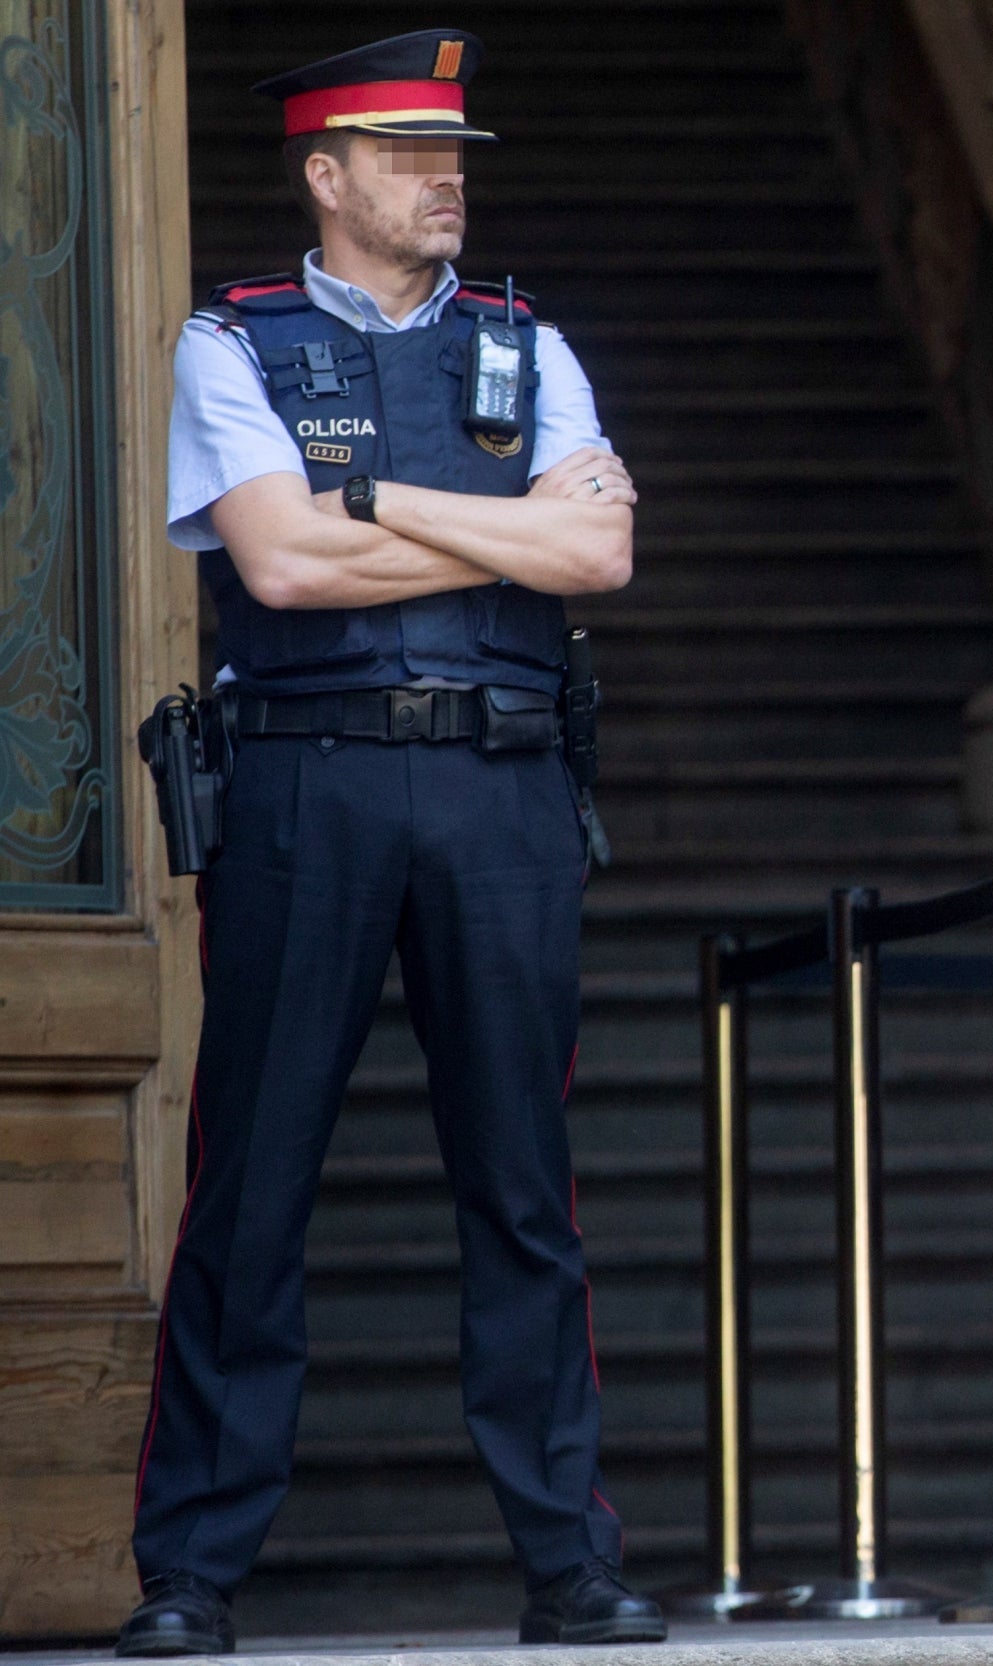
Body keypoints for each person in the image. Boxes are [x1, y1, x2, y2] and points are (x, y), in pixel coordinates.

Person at [119, 31, 661, 1656]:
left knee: (522, 1191)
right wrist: (489, 529)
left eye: (458, 156)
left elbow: (599, 554)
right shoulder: (235, 342)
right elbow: (276, 574)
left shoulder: (526, 339)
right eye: (409, 154)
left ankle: (570, 1563)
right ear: (325, 175)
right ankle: (192, 1575)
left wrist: (373, 507)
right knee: (254, 1182)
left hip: (499, 789)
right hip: (306, 784)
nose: (449, 179)